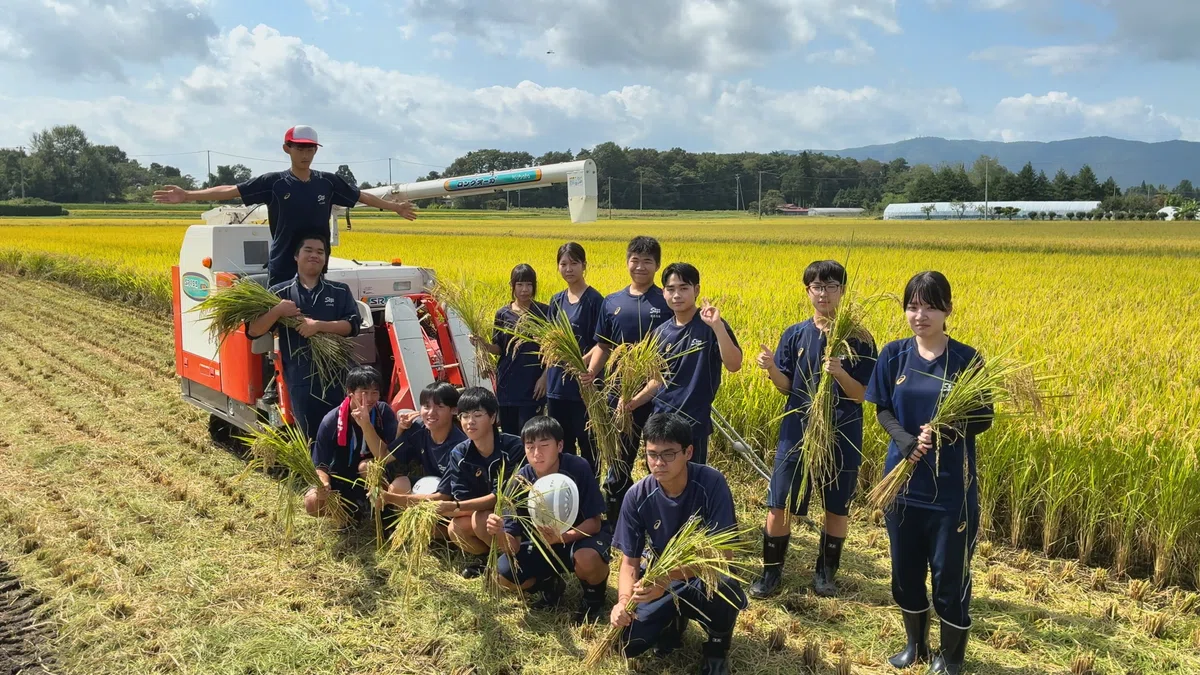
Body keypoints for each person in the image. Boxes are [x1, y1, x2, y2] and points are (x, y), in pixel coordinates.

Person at [866, 271, 994, 675]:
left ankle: (951, 657)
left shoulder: (966, 359)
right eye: (912, 306)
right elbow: (882, 407)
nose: (920, 315)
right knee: (905, 570)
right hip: (902, 484)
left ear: (948, 310)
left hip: (951, 489)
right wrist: (905, 440)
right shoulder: (893, 355)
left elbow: (984, 417)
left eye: (930, 307)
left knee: (949, 573)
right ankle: (915, 646)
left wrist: (944, 429)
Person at [749, 260, 877, 599]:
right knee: (780, 503)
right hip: (797, 431)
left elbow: (862, 395)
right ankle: (770, 574)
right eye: (817, 287)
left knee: (836, 506)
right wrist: (771, 367)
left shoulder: (860, 339)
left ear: (842, 290)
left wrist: (840, 372)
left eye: (831, 286)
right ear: (808, 291)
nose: (823, 294)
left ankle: (825, 575)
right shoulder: (795, 334)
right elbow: (786, 386)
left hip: (842, 431)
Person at [153, 125, 417, 286]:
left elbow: (361, 196)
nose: (305, 154)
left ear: (316, 151)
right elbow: (231, 190)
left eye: (310, 149)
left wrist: (394, 207)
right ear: (286, 148)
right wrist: (188, 194)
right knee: (284, 320)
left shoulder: (328, 182)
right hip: (283, 264)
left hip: (315, 262)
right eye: (299, 148)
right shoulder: (274, 183)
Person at [609, 413, 746, 675]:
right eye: (652, 454)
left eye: (669, 454)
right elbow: (629, 563)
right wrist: (623, 602)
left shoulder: (711, 483)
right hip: (659, 579)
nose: (659, 463)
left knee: (725, 585)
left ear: (688, 452)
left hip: (699, 577)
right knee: (625, 642)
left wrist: (668, 577)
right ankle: (672, 621)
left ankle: (716, 648)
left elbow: (723, 556)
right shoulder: (637, 495)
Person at [485, 416, 611, 622]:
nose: (537, 453)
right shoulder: (518, 483)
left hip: (578, 539)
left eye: (544, 445)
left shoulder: (578, 467)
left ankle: (593, 598)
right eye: (530, 446)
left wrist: (563, 537)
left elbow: (594, 523)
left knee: (587, 558)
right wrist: (499, 532)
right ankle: (548, 585)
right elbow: (513, 546)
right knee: (502, 575)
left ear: (559, 445)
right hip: (541, 545)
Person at [584, 236, 672, 522]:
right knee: (619, 458)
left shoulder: (666, 301)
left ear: (657, 265)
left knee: (658, 458)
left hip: (658, 396)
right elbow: (603, 345)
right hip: (619, 396)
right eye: (635, 260)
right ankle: (617, 517)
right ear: (627, 262)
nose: (640, 266)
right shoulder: (612, 302)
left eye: (647, 261)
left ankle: (658, 514)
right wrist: (591, 372)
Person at [625, 263, 742, 465]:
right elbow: (657, 381)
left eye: (683, 288)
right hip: (660, 421)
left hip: (693, 423)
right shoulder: (660, 333)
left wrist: (717, 326)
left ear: (696, 290)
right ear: (663, 293)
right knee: (660, 475)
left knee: (691, 478)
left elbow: (734, 364)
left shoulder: (710, 326)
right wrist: (633, 402)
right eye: (671, 289)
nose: (677, 295)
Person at [246, 236, 361, 439]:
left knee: (341, 434)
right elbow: (253, 331)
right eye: (308, 250)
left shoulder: (339, 291)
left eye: (320, 252)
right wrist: (278, 310)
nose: (314, 255)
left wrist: (317, 326)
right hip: (300, 377)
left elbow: (352, 326)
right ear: (296, 256)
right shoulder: (278, 293)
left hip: (337, 376)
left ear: (325, 259)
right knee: (310, 437)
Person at [439, 387, 526, 578]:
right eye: (464, 416)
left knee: (481, 519)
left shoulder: (514, 447)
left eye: (477, 415)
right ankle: (491, 560)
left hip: (515, 516)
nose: (470, 421)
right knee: (455, 528)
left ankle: (514, 561)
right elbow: (463, 496)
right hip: (482, 515)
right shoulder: (458, 453)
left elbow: (502, 497)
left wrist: (455, 506)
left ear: (493, 417)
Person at [305, 365, 398, 518]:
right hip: (342, 477)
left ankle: (382, 513)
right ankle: (346, 516)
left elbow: (385, 456)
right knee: (312, 502)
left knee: (366, 467)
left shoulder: (383, 412)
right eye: (364, 392)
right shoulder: (331, 421)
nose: (369, 399)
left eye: (374, 392)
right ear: (350, 392)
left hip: (373, 475)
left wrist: (366, 425)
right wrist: (323, 483)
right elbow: (320, 464)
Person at [545, 243, 605, 471]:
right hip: (557, 386)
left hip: (584, 385)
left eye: (574, 263)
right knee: (562, 444)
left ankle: (590, 487)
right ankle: (566, 487)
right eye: (563, 264)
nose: (568, 269)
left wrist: (579, 363)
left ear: (584, 265)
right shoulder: (556, 300)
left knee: (589, 444)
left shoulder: (595, 301)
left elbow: (602, 343)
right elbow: (549, 340)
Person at [477, 264, 550, 435]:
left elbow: (552, 350)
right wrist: (483, 345)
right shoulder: (503, 314)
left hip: (533, 384)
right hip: (507, 383)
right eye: (520, 284)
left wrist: (544, 378)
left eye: (529, 284)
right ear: (512, 286)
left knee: (530, 433)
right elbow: (499, 348)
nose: (525, 290)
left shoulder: (543, 312)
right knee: (509, 434)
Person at [374, 381, 467, 507]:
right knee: (399, 485)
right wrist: (365, 423)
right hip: (430, 485)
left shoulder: (459, 447)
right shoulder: (418, 428)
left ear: (454, 410)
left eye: (439, 407)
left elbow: (443, 496)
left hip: (452, 500)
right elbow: (385, 456)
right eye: (426, 406)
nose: (431, 412)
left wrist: (391, 498)